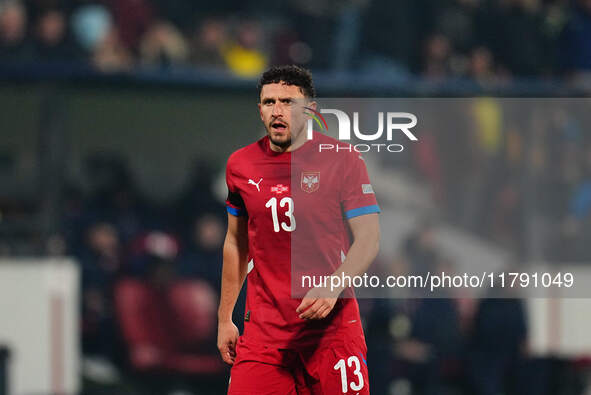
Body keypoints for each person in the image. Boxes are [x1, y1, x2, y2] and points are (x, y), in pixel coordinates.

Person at [217, 65, 381, 394]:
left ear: (310, 110)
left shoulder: (343, 160)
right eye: (269, 102)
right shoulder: (240, 165)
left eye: (288, 102)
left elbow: (369, 238)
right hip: (265, 337)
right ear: (260, 109)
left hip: (331, 332)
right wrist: (224, 319)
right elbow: (236, 243)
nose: (278, 111)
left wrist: (334, 284)